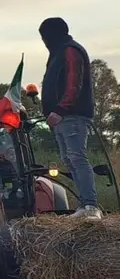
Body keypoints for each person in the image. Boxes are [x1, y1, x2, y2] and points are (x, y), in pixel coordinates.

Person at [39, 17, 101, 219]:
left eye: (44, 36)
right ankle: (85, 205)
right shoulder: (59, 52)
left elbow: (74, 83)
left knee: (77, 157)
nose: (44, 41)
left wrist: (60, 109)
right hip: (61, 117)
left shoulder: (70, 51)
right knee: (69, 159)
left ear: (52, 34)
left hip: (71, 115)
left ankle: (90, 206)